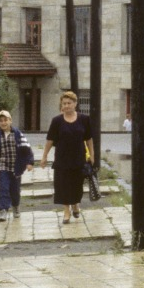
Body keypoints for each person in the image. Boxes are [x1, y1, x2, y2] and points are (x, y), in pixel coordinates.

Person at [41, 90, 94, 224]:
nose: (66, 106)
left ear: (75, 104)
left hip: (78, 157)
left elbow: (89, 139)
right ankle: (66, 211)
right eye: (64, 103)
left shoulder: (84, 119)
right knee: (63, 185)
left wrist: (92, 155)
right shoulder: (57, 121)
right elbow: (50, 140)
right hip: (62, 158)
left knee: (77, 184)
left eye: (69, 103)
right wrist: (44, 156)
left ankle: (75, 204)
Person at [0, 110, 34, 221]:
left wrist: (29, 162)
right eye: (1, 121)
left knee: (15, 190)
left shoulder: (18, 134)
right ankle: (2, 210)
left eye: (6, 120)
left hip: (16, 167)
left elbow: (27, 149)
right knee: (3, 188)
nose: (3, 123)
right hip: (3, 166)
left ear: (10, 121)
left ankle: (16, 206)